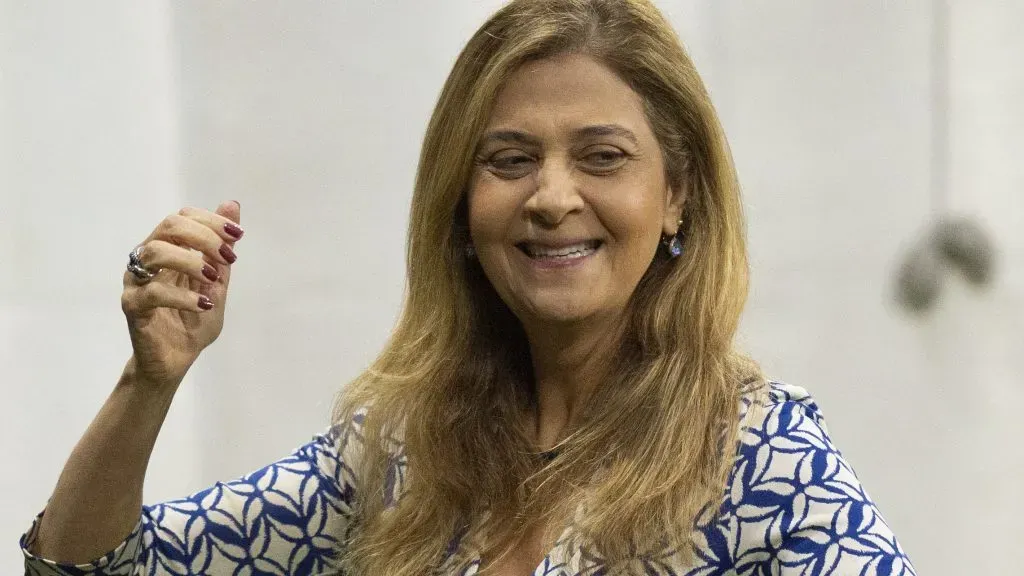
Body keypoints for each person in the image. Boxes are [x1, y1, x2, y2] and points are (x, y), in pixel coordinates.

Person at [21, 0, 917, 574]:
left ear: (676, 194)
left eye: (603, 157)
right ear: (460, 204)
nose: (552, 197)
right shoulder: (402, 450)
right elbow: (88, 567)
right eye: (510, 159)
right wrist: (150, 381)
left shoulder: (758, 456)